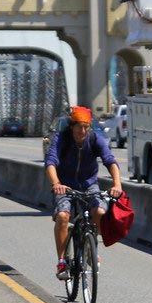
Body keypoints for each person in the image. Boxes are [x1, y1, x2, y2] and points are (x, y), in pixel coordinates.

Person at [44, 106, 124, 280]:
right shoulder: (61, 139)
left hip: (89, 185)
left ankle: (90, 247)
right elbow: (50, 162)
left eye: (86, 127)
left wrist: (117, 184)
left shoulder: (95, 139)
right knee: (63, 216)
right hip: (65, 185)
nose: (83, 131)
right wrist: (56, 183)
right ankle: (62, 261)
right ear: (72, 126)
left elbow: (110, 161)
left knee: (100, 212)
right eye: (79, 126)